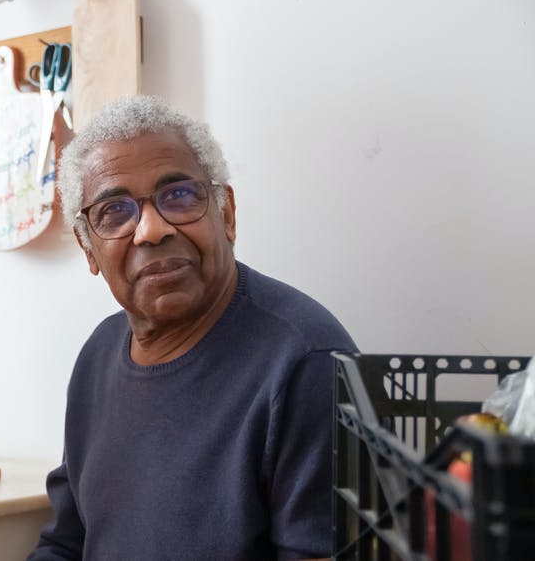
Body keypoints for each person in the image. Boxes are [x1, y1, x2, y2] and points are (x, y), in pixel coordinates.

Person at [28, 95, 358, 561]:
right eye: (115, 213)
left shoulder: (308, 363)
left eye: (178, 196)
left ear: (226, 213)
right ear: (88, 250)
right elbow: (66, 542)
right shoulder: (98, 356)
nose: (150, 230)